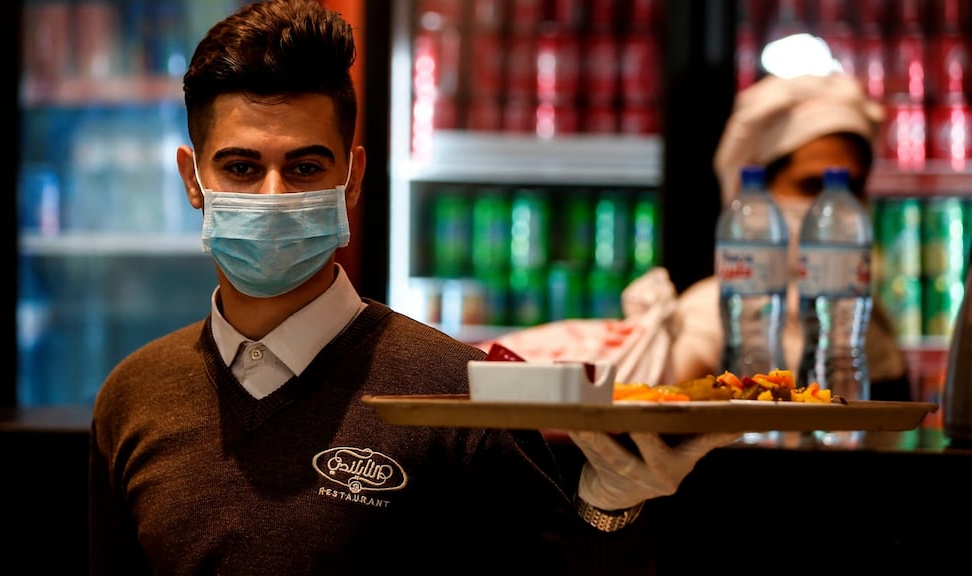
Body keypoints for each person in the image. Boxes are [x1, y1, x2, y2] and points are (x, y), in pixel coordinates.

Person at [87, 2, 736, 574]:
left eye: (306, 166)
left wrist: (612, 516)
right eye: (242, 167)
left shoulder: (457, 393)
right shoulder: (134, 397)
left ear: (354, 176)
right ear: (192, 178)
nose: (275, 195)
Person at [670, 72, 910, 401]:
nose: (833, 208)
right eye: (812, 186)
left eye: (851, 189)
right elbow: (678, 392)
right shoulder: (709, 311)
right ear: (755, 193)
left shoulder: (862, 309)